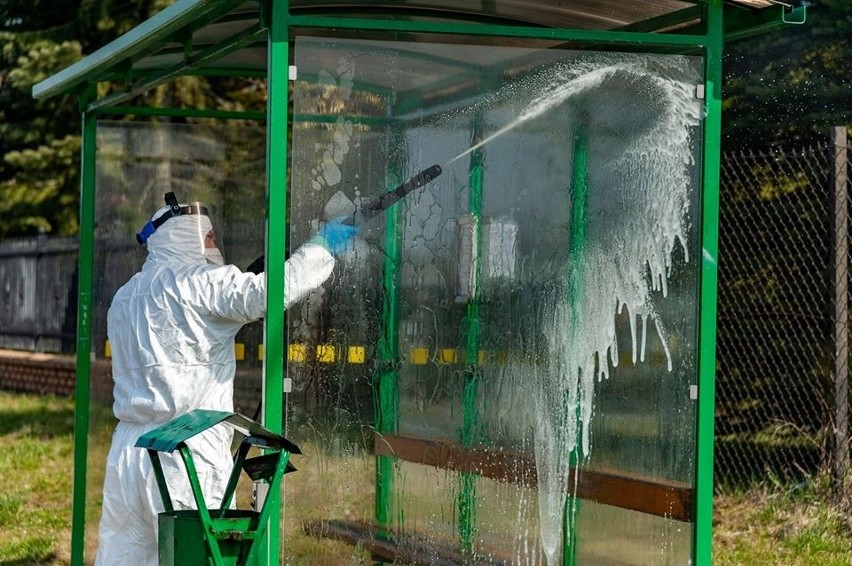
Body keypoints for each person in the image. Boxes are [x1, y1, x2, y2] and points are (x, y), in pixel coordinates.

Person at [95, 192, 357, 566]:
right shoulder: (201, 283)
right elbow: (271, 292)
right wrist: (322, 246)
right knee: (197, 558)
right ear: (188, 237)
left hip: (129, 452)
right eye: (209, 237)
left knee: (125, 558)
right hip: (185, 449)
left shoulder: (125, 297)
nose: (215, 245)